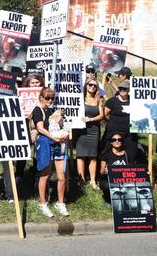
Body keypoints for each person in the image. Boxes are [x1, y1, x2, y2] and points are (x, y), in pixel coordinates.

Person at [33, 88, 70, 217]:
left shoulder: (52, 111)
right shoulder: (38, 110)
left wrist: (64, 133)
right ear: (41, 98)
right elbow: (40, 128)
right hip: (45, 144)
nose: (50, 101)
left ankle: (60, 203)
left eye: (52, 98)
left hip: (58, 145)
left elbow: (59, 126)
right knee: (45, 175)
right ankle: (42, 203)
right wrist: (54, 137)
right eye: (47, 98)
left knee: (62, 176)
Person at [74, 78, 104, 189]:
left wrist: (91, 119)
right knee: (81, 155)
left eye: (95, 86)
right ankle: (81, 180)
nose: (92, 87)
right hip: (81, 130)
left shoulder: (99, 100)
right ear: (86, 85)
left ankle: (93, 181)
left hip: (94, 130)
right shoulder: (80, 99)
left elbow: (102, 116)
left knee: (93, 156)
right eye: (90, 84)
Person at [103, 80, 139, 162]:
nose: (122, 91)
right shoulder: (112, 101)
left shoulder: (134, 101)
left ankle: (128, 169)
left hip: (129, 133)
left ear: (128, 90)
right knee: (110, 152)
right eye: (120, 89)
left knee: (131, 153)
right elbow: (104, 114)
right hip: (114, 132)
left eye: (125, 89)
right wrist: (111, 122)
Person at [99, 132, 131, 203]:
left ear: (122, 142)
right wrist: (105, 170)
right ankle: (108, 200)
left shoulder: (127, 154)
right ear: (111, 142)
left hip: (124, 179)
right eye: (114, 140)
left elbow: (131, 168)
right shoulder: (106, 154)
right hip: (109, 179)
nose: (117, 141)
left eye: (119, 140)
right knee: (106, 185)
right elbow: (101, 172)